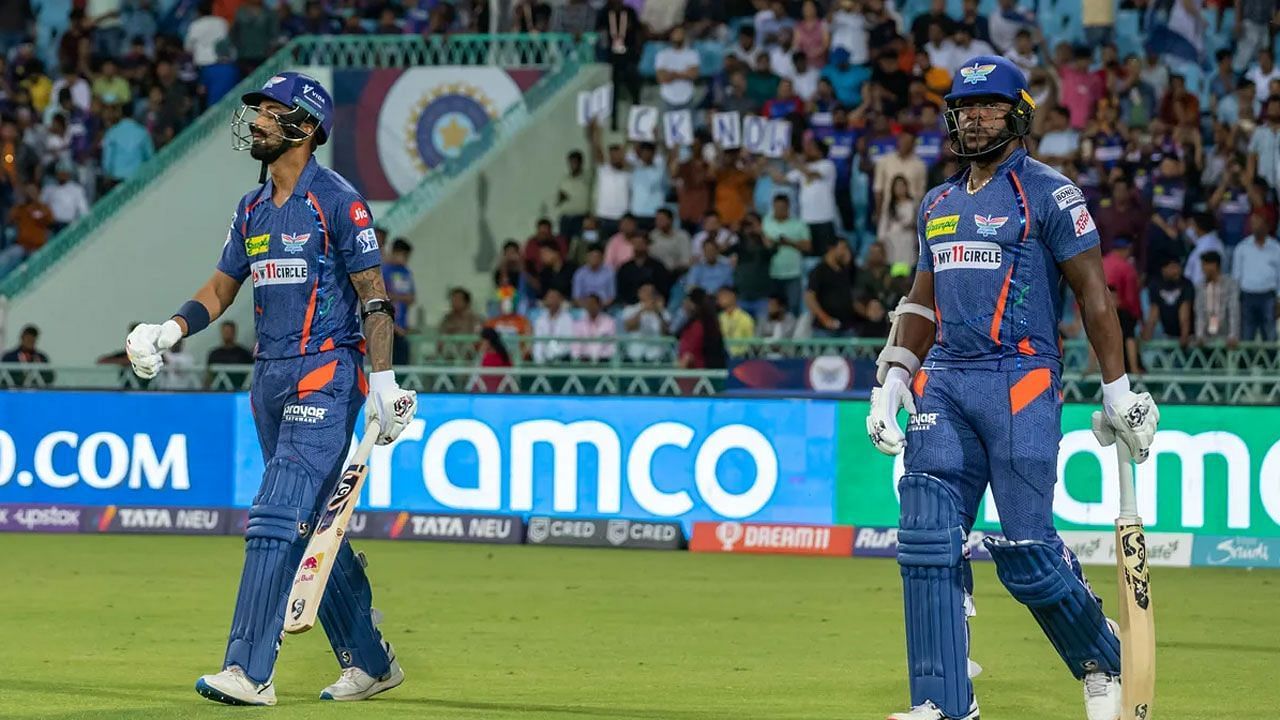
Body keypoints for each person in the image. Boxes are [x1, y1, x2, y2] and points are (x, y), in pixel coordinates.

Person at [866, 55, 1159, 720]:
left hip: (1021, 377)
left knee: (1027, 551)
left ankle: (1101, 655)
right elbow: (921, 297)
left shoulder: (1051, 194)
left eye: (990, 106)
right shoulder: (938, 203)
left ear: (1017, 114)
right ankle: (942, 702)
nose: (975, 118)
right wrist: (893, 374)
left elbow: (1093, 293)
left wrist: (1117, 391)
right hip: (946, 379)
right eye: (965, 108)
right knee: (926, 534)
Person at [122, 73, 416, 706]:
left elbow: (374, 297)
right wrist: (167, 329)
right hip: (270, 379)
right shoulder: (251, 208)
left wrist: (385, 381)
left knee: (276, 514)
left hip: (325, 374)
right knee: (312, 525)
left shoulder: (339, 201)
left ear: (305, 128)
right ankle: (369, 660)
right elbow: (223, 286)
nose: (255, 121)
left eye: (269, 113)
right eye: (255, 111)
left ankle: (248, 670)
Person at [1232, 211, 1280, 342]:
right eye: (1252, 223)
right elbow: (1236, 276)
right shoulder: (1242, 248)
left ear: (1267, 225)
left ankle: (1270, 362)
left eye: (1258, 222)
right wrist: (1236, 300)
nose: (1255, 226)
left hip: (1268, 296)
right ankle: (1247, 362)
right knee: (1247, 334)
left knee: (1270, 334)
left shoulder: (1276, 248)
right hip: (1247, 296)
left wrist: (1279, 300)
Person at [1143, 258, 1194, 347]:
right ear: (1164, 269)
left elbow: (1185, 312)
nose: (1177, 270)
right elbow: (1154, 313)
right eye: (1173, 267)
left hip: (1189, 336)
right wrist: (1146, 336)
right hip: (1168, 335)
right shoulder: (1155, 285)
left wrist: (1184, 336)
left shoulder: (1186, 284)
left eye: (1178, 267)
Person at [1193, 251, 1240, 347]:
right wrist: (1199, 335)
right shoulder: (1200, 286)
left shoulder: (1230, 285)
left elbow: (1233, 311)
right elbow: (1199, 312)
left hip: (1226, 338)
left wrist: (1233, 335)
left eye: (1205, 265)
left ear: (1214, 265)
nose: (1203, 269)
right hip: (1206, 339)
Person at [381, 238, 416, 366]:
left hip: (402, 327)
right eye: (404, 255)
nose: (406, 259)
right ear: (395, 252)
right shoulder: (385, 271)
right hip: (387, 326)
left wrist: (397, 297)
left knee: (402, 363)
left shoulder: (406, 273)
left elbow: (411, 298)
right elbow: (382, 296)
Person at [676, 287, 727, 369]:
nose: (684, 303)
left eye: (687, 300)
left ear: (693, 304)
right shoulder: (696, 323)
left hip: (697, 372)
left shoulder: (698, 326)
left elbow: (690, 353)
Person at [207, 320, 255, 389]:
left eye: (229, 332)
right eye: (225, 332)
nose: (227, 334)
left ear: (234, 332)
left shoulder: (244, 354)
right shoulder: (214, 354)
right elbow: (209, 376)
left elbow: (251, 375)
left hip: (240, 391)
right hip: (218, 392)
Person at [717, 286, 756, 356]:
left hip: (741, 358)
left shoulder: (745, 318)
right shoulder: (718, 318)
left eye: (723, 295)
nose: (719, 299)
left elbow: (751, 343)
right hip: (721, 357)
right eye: (719, 296)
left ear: (732, 296)